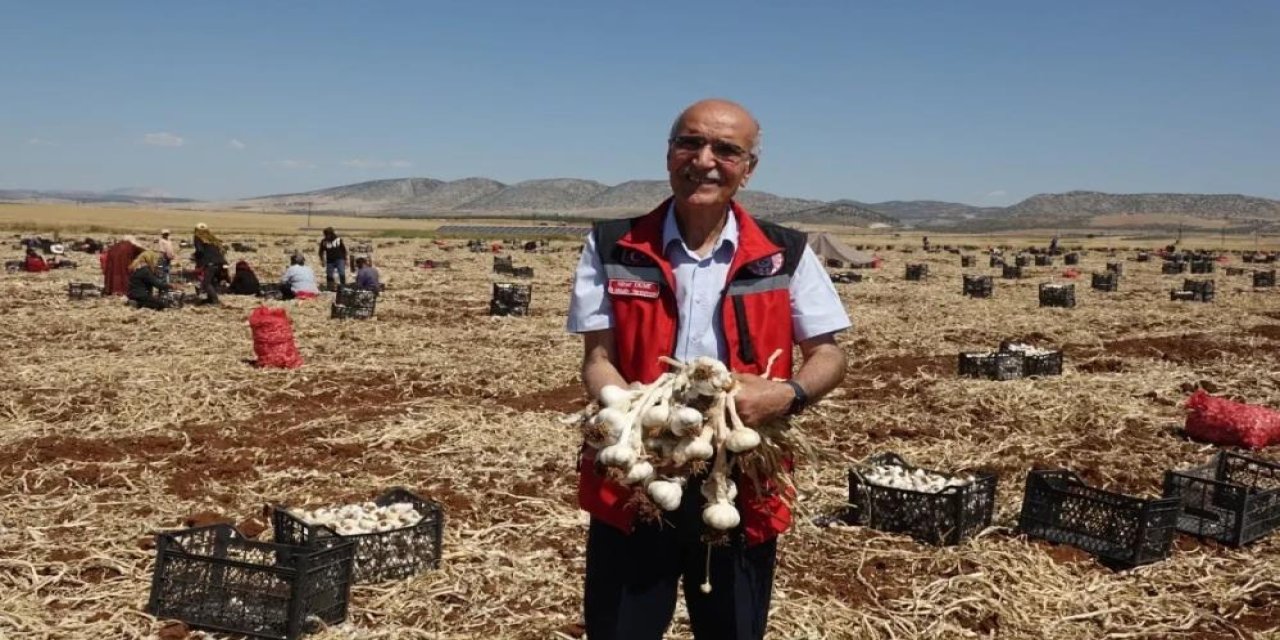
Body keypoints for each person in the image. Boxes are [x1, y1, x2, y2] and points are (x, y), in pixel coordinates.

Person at [566, 99, 850, 640]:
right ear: (668, 153)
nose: (704, 160)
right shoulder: (611, 245)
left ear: (748, 168)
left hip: (743, 477)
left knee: (734, 629)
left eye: (726, 149)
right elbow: (598, 360)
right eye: (689, 143)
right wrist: (629, 416)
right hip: (638, 479)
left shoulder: (785, 252)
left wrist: (787, 395)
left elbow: (830, 354)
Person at [192, 223, 227, 304]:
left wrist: (195, 256)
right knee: (211, 281)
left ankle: (215, 301)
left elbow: (200, 251)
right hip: (220, 263)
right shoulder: (212, 238)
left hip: (210, 263)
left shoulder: (197, 237)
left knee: (206, 283)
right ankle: (210, 299)